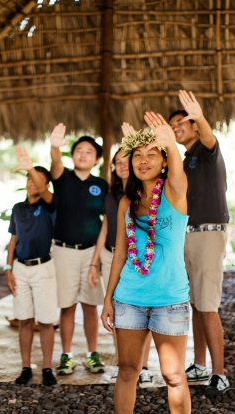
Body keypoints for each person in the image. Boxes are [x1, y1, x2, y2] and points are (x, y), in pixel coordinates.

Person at [101, 112, 191, 414]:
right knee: (127, 371)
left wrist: (168, 141)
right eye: (137, 154)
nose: (143, 160)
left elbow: (178, 169)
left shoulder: (174, 191)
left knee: (174, 375)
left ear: (164, 161)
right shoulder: (126, 203)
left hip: (170, 299)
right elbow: (120, 255)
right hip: (129, 297)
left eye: (152, 154)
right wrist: (108, 299)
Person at [170, 90, 230, 395]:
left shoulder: (207, 150)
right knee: (195, 303)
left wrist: (200, 117)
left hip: (208, 234)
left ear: (195, 125)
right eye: (173, 125)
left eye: (182, 121)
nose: (177, 127)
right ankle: (200, 363)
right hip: (187, 234)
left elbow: (208, 135)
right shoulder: (182, 159)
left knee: (207, 306)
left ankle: (220, 374)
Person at [87, 125, 154, 388]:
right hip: (110, 256)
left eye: (127, 160)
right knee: (116, 313)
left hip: (138, 259)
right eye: (118, 162)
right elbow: (104, 230)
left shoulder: (147, 194)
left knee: (143, 312)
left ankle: (144, 366)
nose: (123, 165)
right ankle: (123, 364)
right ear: (113, 167)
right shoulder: (111, 196)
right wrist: (94, 263)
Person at [49, 124, 108, 376]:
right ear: (72, 156)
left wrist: (96, 259)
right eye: (79, 151)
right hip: (63, 251)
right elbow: (54, 164)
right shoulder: (62, 179)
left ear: (96, 159)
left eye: (89, 152)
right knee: (67, 305)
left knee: (90, 305)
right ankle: (66, 355)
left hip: (91, 252)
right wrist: (55, 147)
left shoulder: (101, 185)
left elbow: (106, 221)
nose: (83, 155)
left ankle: (93, 354)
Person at [5, 146, 58, 387]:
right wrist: (8, 269)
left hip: (43, 268)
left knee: (46, 321)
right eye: (28, 178)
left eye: (36, 179)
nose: (31, 183)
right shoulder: (17, 208)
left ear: (45, 184)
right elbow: (13, 240)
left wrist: (30, 167)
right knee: (24, 319)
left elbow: (46, 192)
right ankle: (26, 367)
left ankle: (47, 367)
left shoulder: (49, 205)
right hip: (20, 268)